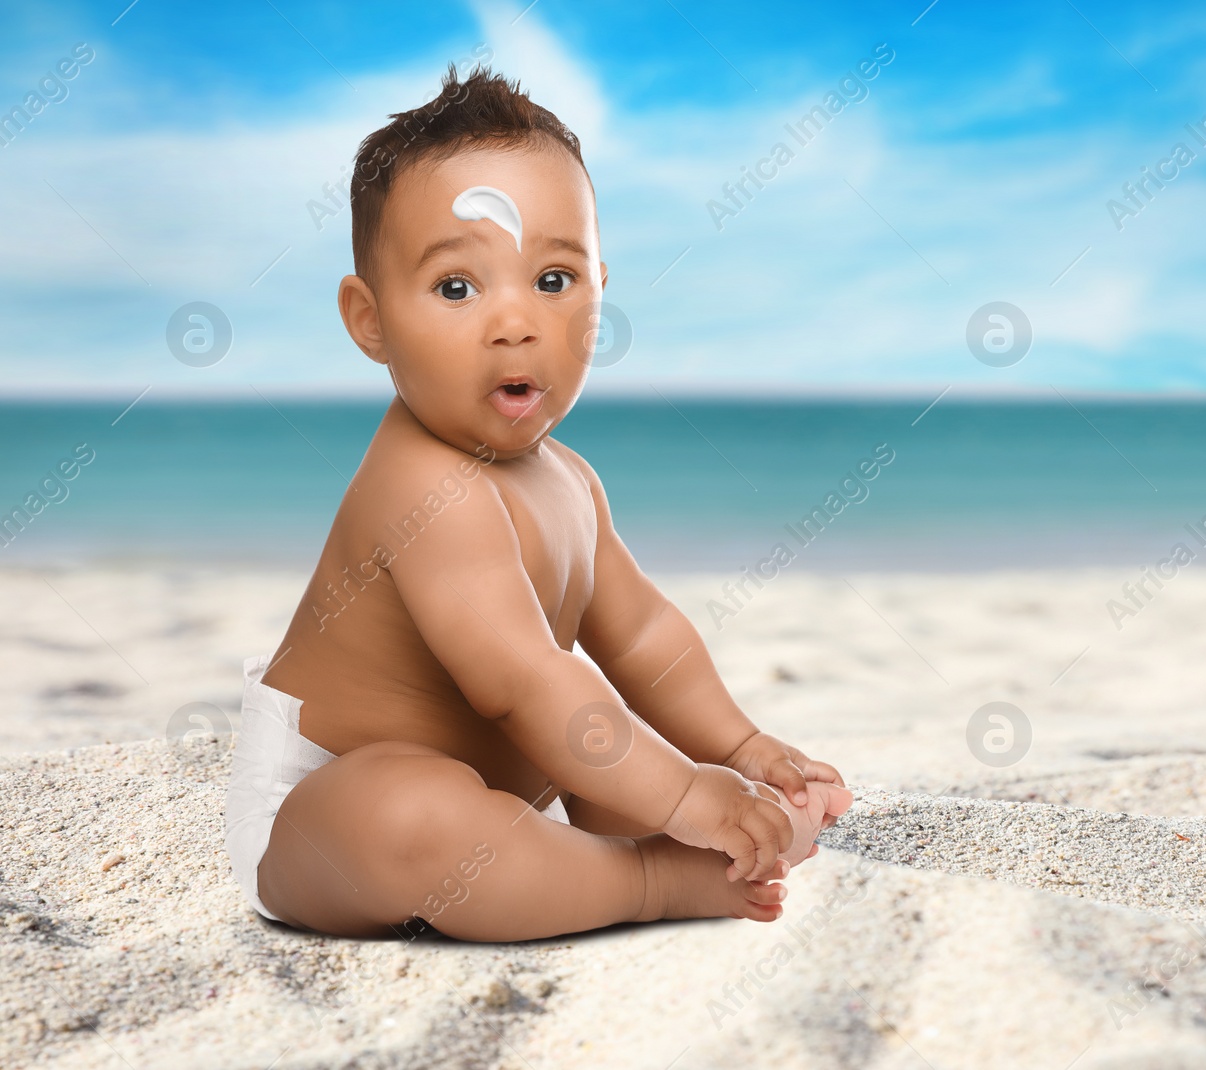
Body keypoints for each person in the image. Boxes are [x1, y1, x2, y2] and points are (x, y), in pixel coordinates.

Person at [223, 66, 851, 941]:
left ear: (600, 288)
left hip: (518, 796)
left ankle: (611, 854)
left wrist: (737, 751)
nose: (514, 322)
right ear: (370, 320)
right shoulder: (423, 485)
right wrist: (682, 795)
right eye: (456, 287)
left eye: (553, 281)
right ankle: (644, 882)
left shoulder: (571, 480)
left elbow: (643, 638)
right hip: (325, 814)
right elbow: (523, 683)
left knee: (630, 756)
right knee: (414, 815)